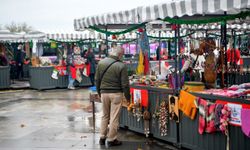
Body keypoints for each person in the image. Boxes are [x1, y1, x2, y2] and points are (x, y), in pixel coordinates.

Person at [95, 45, 130, 147]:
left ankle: (102, 137)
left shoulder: (101, 63)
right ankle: (111, 139)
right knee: (114, 117)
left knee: (105, 115)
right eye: (122, 55)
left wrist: (99, 92)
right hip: (116, 94)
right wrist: (128, 97)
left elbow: (97, 80)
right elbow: (125, 84)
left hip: (104, 93)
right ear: (119, 54)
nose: (122, 56)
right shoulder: (121, 66)